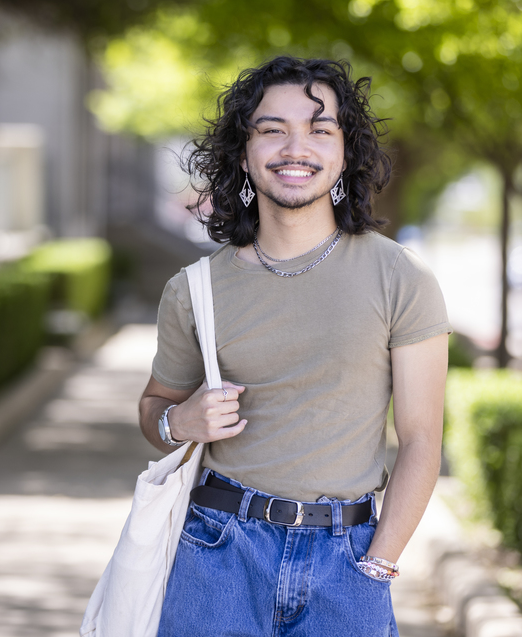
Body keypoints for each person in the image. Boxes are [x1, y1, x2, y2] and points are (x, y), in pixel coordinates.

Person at [139, 56, 451, 637]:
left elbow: (420, 440)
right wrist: (180, 421)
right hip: (216, 553)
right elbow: (153, 409)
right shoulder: (196, 290)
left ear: (344, 153)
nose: (294, 147)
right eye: (272, 129)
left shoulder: (401, 278)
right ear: (243, 153)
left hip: (348, 561)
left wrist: (376, 566)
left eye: (318, 128)